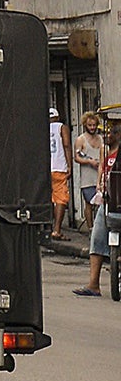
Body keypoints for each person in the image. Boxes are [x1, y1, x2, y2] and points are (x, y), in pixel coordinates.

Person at [79, 122, 117, 297]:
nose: (107, 136)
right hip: (108, 200)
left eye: (112, 132)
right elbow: (102, 167)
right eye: (107, 132)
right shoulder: (104, 150)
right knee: (97, 238)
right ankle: (93, 284)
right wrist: (99, 185)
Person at [75, 112, 104, 229]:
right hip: (87, 176)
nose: (92, 128)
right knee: (89, 203)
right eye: (89, 125)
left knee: (101, 203)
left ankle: (100, 228)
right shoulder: (81, 139)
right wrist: (89, 162)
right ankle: (90, 228)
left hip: (100, 175)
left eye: (94, 125)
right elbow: (76, 157)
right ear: (85, 125)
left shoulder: (101, 139)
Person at [49, 106, 70, 238]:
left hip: (46, 169)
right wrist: (69, 164)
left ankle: (48, 227)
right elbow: (66, 144)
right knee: (61, 198)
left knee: (49, 198)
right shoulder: (62, 127)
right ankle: (57, 229)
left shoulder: (40, 128)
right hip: (59, 167)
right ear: (57, 117)